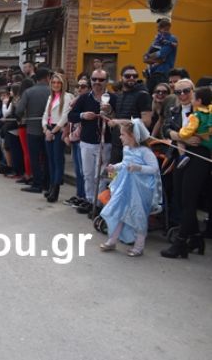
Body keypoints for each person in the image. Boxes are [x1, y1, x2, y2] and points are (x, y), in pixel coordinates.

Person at [161, 79, 210, 258]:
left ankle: (180, 242)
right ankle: (196, 238)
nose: (182, 95)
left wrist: (191, 139)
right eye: (178, 91)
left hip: (199, 157)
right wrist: (181, 138)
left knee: (189, 199)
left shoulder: (204, 111)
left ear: (193, 90)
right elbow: (165, 129)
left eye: (186, 91)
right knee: (181, 199)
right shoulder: (174, 110)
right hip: (179, 156)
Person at [99, 119, 162, 257]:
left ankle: (139, 246)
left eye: (123, 134)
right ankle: (112, 240)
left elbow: (154, 168)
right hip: (125, 185)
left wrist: (138, 168)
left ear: (133, 136)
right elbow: (124, 163)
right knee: (120, 212)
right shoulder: (126, 148)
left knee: (138, 215)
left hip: (140, 189)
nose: (120, 137)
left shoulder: (145, 151)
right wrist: (114, 167)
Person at [67, 68, 117, 214]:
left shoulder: (112, 98)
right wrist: (83, 115)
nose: (97, 82)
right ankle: (89, 200)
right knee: (87, 174)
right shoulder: (84, 98)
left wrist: (110, 113)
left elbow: (117, 119)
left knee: (101, 175)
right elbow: (71, 116)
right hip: (87, 142)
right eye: (94, 79)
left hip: (105, 142)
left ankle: (99, 203)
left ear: (107, 81)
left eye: (101, 80)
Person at [16, 68, 52, 194]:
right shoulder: (52, 91)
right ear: (47, 77)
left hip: (32, 129)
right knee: (47, 158)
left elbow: (19, 110)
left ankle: (37, 184)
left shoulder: (28, 92)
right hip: (49, 129)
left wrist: (20, 118)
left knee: (34, 158)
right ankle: (47, 184)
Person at [41, 73, 74, 203]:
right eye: (54, 82)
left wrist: (53, 132)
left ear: (63, 84)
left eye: (58, 83)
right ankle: (50, 186)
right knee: (50, 160)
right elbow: (45, 114)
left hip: (58, 130)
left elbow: (64, 117)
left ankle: (55, 190)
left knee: (58, 160)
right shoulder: (50, 97)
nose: (56, 85)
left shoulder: (67, 97)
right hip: (49, 129)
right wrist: (45, 129)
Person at [110, 65, 152, 164]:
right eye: (128, 76)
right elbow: (116, 118)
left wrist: (120, 121)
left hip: (134, 146)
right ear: (121, 78)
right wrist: (108, 112)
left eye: (135, 76)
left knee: (130, 177)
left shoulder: (143, 95)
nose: (132, 78)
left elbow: (146, 122)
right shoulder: (120, 95)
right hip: (117, 144)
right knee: (114, 175)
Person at [63, 78, 90, 206]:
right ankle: (79, 194)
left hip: (83, 139)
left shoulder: (89, 101)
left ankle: (85, 197)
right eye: (78, 86)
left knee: (84, 171)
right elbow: (70, 119)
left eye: (83, 86)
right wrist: (67, 134)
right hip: (74, 138)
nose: (80, 89)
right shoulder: (75, 101)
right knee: (78, 170)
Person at [175, 86, 212, 167]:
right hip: (210, 139)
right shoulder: (210, 111)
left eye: (193, 99)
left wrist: (181, 134)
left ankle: (182, 156)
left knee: (179, 140)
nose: (191, 101)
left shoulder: (196, 115)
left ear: (199, 101)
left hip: (201, 141)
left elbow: (190, 129)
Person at [143, 18, 178, 93]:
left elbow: (161, 54)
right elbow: (146, 56)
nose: (158, 30)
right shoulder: (158, 39)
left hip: (163, 72)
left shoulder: (171, 39)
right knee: (150, 95)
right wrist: (149, 57)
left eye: (159, 28)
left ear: (166, 28)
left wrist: (149, 57)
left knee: (161, 94)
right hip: (152, 72)